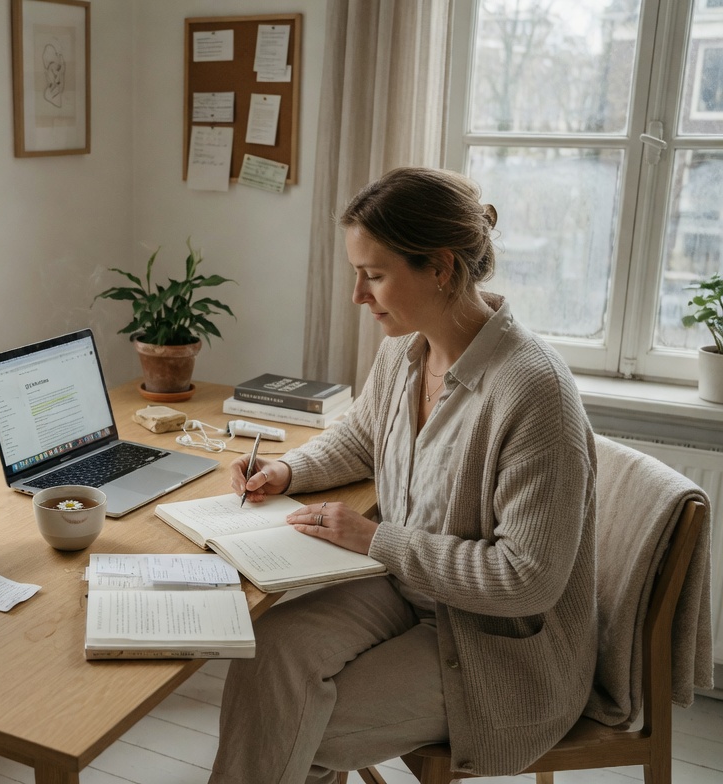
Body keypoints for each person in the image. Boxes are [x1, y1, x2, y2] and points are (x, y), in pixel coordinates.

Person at [209, 167, 598, 783]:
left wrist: (375, 540)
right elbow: (363, 439)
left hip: (495, 646)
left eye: (375, 275)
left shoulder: (534, 390)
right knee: (269, 653)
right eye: (356, 274)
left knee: (286, 722)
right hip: (405, 590)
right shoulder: (404, 348)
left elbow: (526, 580)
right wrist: (287, 471)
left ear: (440, 267)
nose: (358, 296)